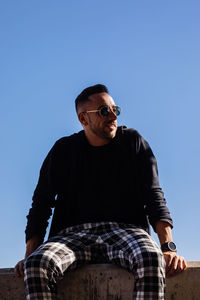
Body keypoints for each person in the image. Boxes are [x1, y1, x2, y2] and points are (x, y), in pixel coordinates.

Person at [15, 84, 187, 300]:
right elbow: (41, 204)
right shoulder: (63, 150)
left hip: (126, 231)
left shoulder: (133, 142)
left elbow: (154, 196)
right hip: (72, 235)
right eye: (104, 111)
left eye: (116, 110)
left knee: (152, 258)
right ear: (83, 119)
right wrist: (30, 254)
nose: (113, 116)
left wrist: (168, 247)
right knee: (37, 265)